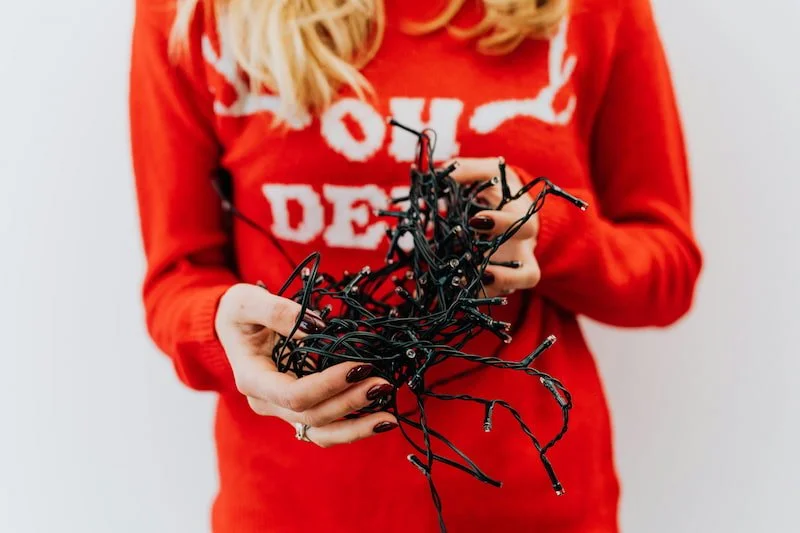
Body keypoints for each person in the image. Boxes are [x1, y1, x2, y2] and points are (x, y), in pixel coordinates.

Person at [129, 0, 702, 531]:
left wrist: (548, 233)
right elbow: (177, 278)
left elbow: (666, 271)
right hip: (290, 509)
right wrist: (217, 327)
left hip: (529, 505)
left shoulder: (593, 11)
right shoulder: (193, 14)